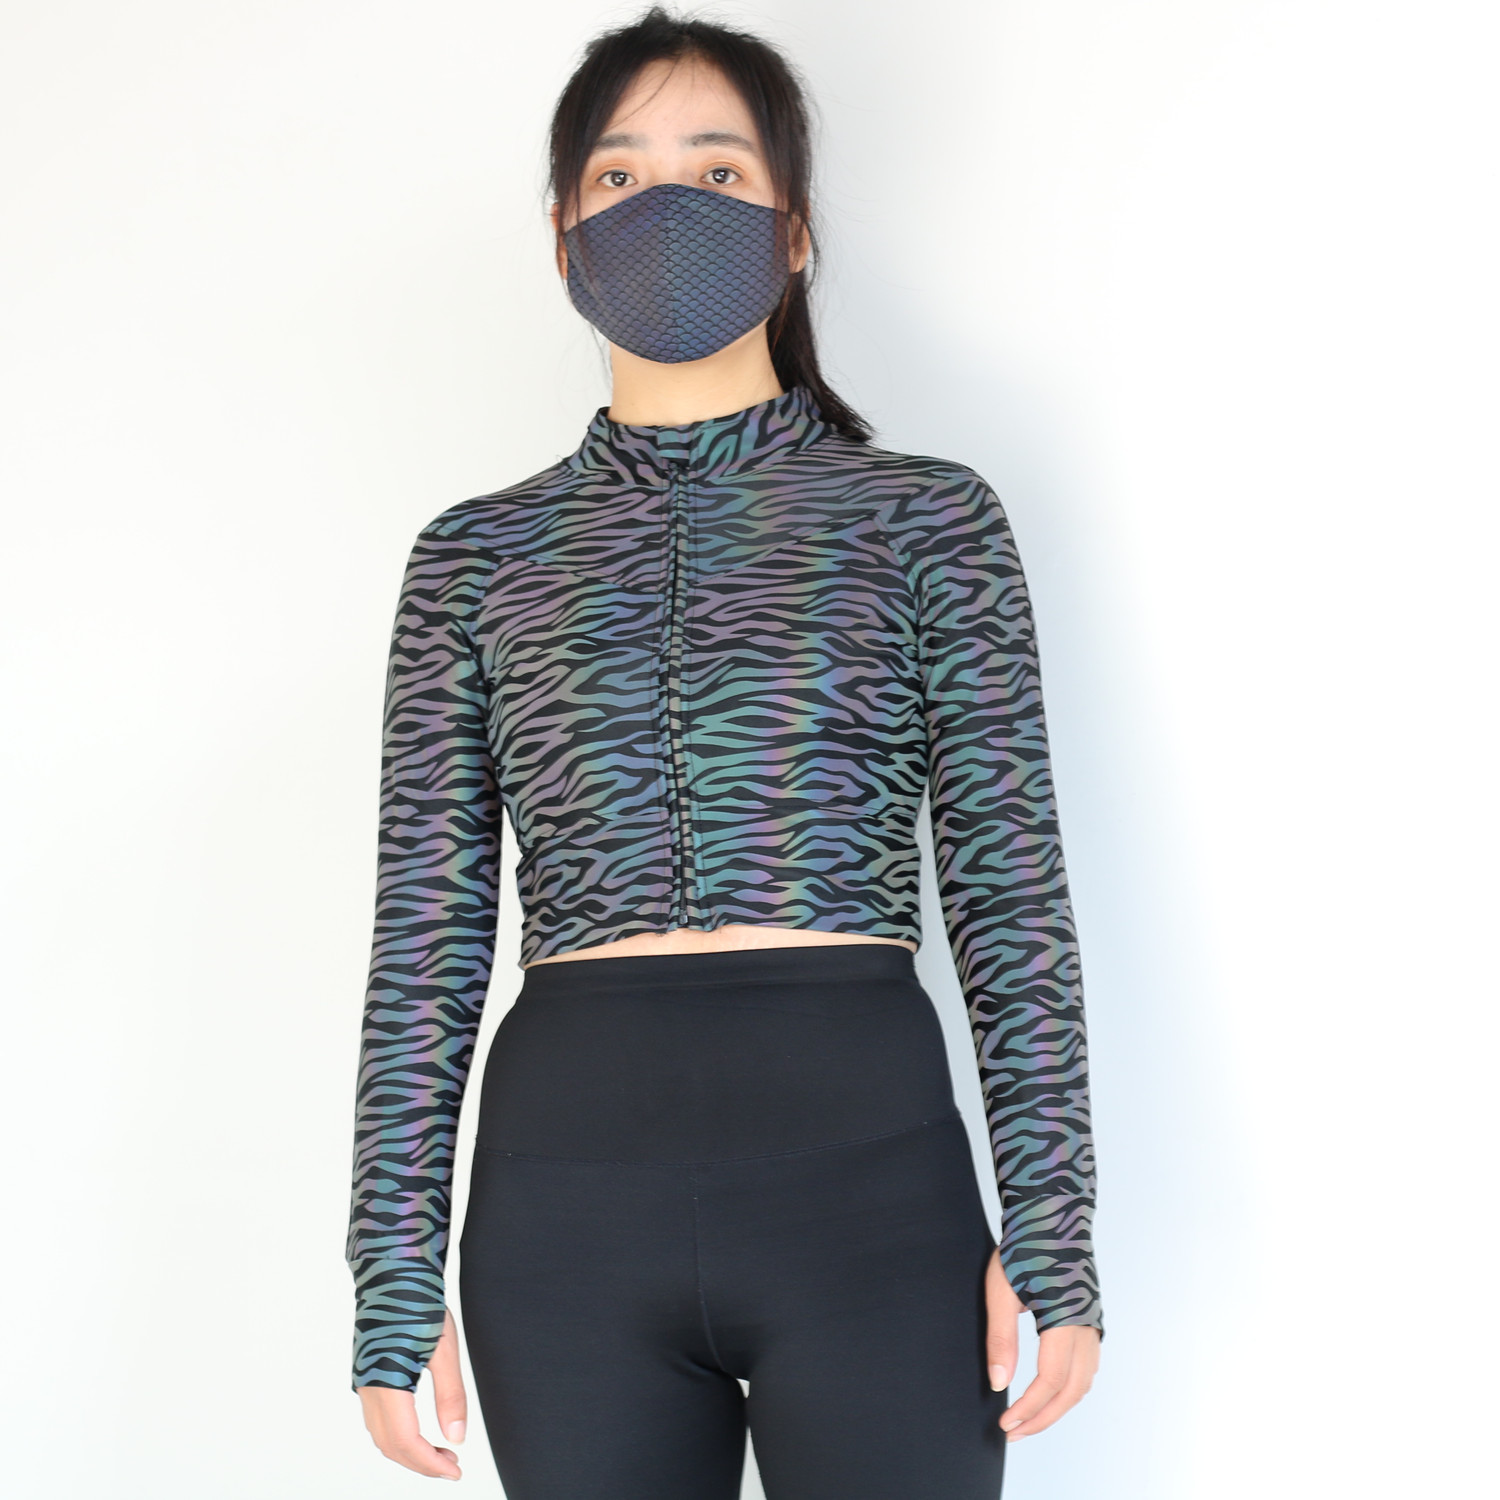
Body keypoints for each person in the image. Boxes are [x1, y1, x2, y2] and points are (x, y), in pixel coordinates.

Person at [347, 9, 1101, 1496]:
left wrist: (1055, 1233)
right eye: (619, 176)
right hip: (566, 1218)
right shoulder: (476, 561)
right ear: (564, 236)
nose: (667, 205)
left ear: (794, 228)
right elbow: (425, 935)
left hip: (872, 1197)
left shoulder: (926, 524)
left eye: (718, 170)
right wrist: (390, 1274)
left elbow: (1010, 890)